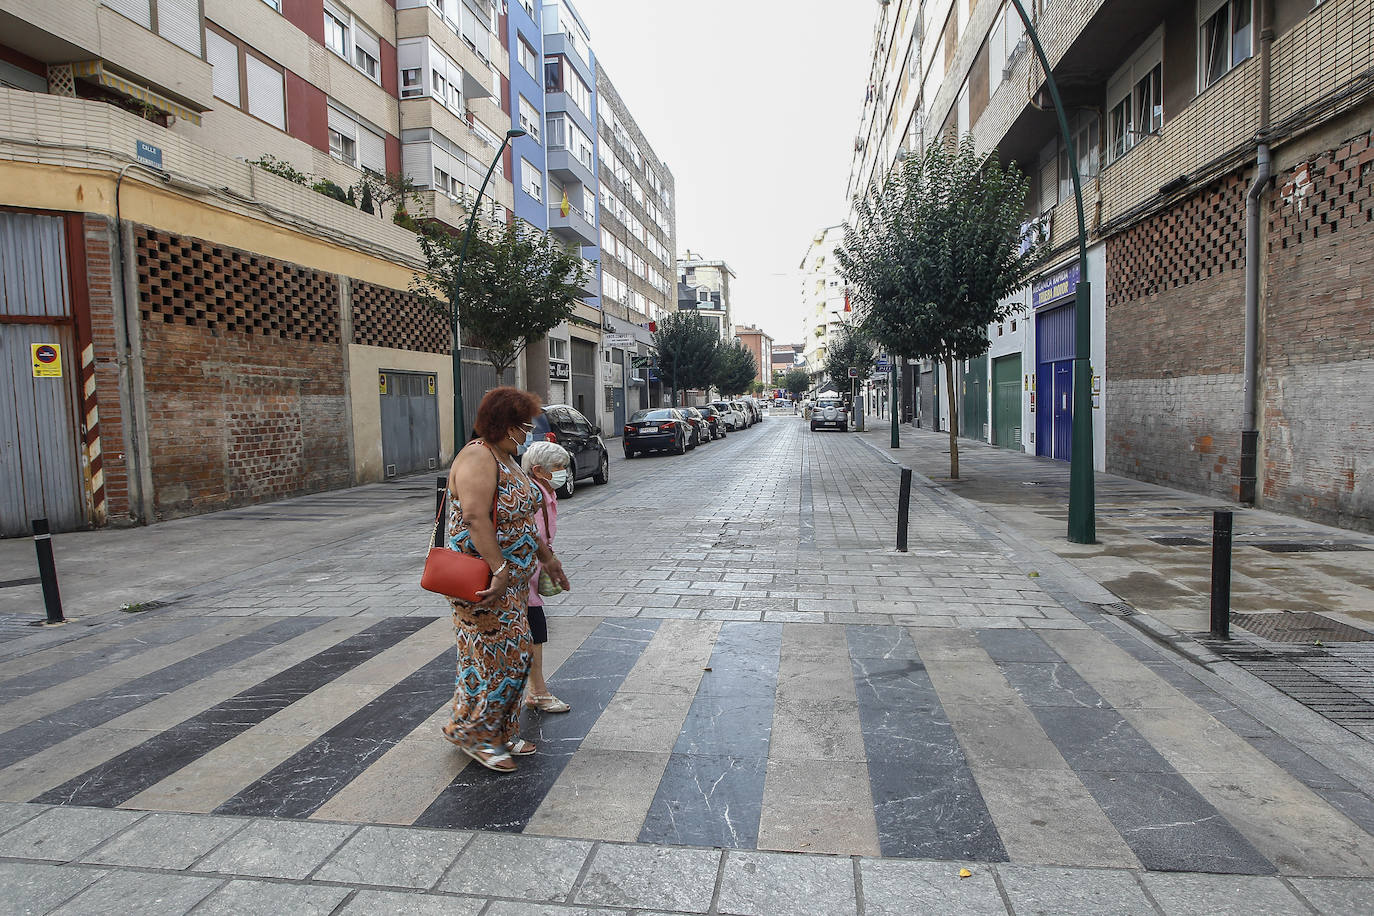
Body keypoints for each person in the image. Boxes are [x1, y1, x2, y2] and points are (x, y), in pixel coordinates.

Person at [440, 386, 570, 772]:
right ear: (505, 424)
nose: (528, 432)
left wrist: (547, 559)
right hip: (482, 581)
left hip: (509, 583)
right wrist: (499, 568)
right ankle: (477, 734)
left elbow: (522, 520)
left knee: (486, 657)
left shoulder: (507, 458)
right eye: (523, 425)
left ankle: (494, 729)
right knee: (507, 657)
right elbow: (475, 518)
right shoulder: (479, 457)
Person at [521, 441, 572, 714]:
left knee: (535, 628)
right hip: (521, 577)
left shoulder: (545, 493)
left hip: (529, 576)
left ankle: (536, 690)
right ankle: (537, 692)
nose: (564, 472)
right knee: (534, 629)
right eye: (558, 468)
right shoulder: (534, 496)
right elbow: (533, 537)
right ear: (539, 470)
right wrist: (549, 561)